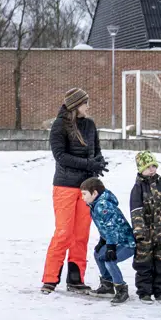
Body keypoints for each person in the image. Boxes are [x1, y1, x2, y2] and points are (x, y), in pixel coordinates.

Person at [41, 87, 107, 295]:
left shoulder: (90, 125)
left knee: (81, 235)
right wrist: (89, 164)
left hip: (87, 189)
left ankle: (76, 278)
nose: (88, 106)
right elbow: (61, 156)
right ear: (76, 105)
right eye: (86, 102)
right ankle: (50, 278)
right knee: (63, 233)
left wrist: (98, 164)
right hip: (65, 187)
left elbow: (96, 151)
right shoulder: (59, 125)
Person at [129, 150, 161, 303]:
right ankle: (144, 292)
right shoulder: (138, 187)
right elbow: (136, 211)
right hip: (145, 234)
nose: (152, 169)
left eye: (154, 166)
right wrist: (139, 232)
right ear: (141, 169)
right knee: (144, 263)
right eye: (148, 167)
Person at [83, 175, 134, 304]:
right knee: (98, 255)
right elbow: (103, 226)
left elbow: (111, 227)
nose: (82, 197)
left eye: (84, 194)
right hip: (114, 240)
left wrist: (110, 247)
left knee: (109, 260)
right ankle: (107, 285)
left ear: (94, 193)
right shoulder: (95, 205)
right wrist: (103, 241)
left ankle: (121, 289)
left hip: (127, 242)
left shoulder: (103, 205)